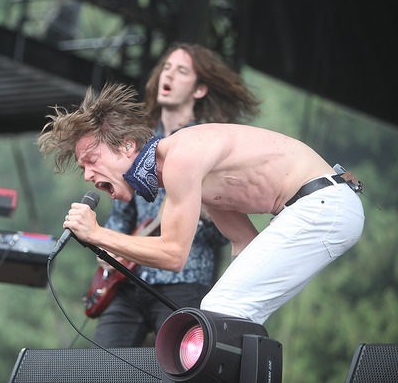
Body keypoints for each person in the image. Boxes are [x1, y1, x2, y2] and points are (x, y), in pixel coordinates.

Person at [38, 83, 364, 325]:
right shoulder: (193, 178)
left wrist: (97, 234)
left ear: (126, 146)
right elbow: (243, 243)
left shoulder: (181, 157)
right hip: (323, 205)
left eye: (91, 160)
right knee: (229, 315)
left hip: (323, 203)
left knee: (219, 311)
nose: (87, 175)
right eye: (83, 167)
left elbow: (174, 255)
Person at [91, 43, 260, 347]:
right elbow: (122, 212)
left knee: (181, 367)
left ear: (199, 89)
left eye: (181, 71)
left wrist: (199, 219)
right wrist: (112, 251)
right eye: (166, 68)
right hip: (129, 281)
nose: (169, 75)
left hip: (185, 281)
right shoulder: (139, 142)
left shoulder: (210, 141)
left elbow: (226, 230)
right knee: (100, 366)